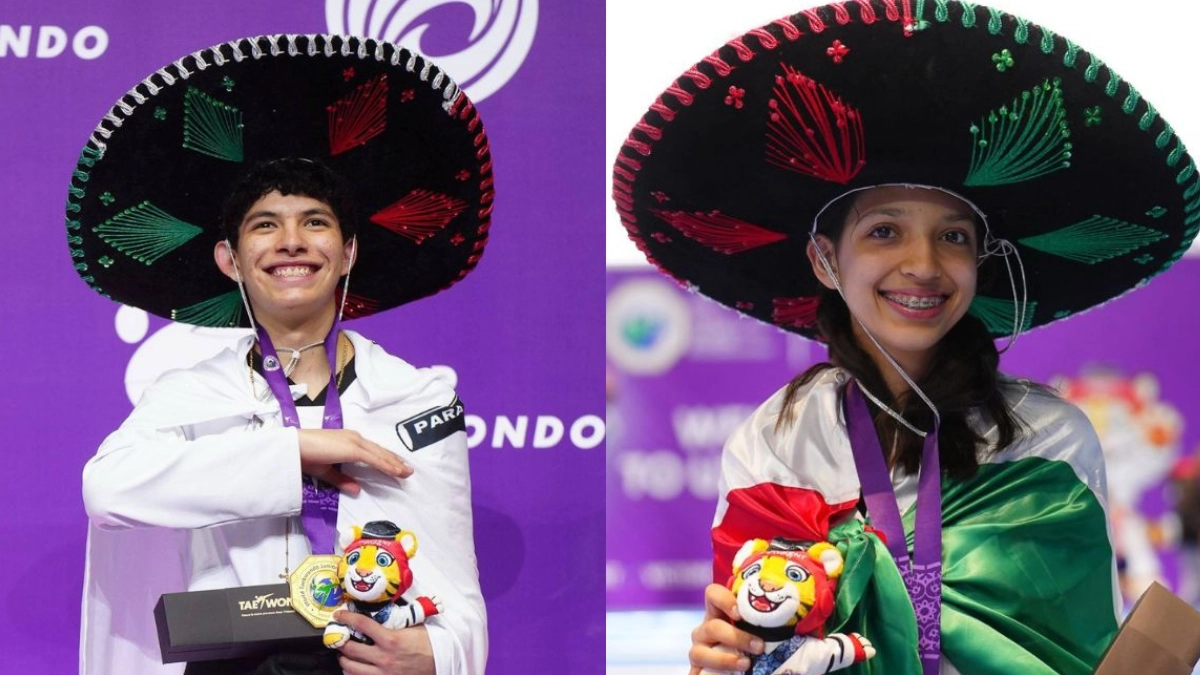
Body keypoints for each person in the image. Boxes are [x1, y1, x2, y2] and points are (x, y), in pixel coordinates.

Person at [611, 2, 1198, 674]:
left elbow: (1080, 650)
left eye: (953, 236)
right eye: (884, 231)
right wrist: (724, 659)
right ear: (826, 260)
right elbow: (756, 642)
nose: (922, 264)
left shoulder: (1051, 439)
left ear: (980, 260)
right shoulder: (777, 437)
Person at [69, 35, 493, 675]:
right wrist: (294, 452)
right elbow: (107, 491)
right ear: (231, 260)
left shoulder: (416, 396)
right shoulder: (188, 393)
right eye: (265, 224)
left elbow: (456, 584)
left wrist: (438, 656)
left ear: (348, 252)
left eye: (316, 222)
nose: (292, 241)